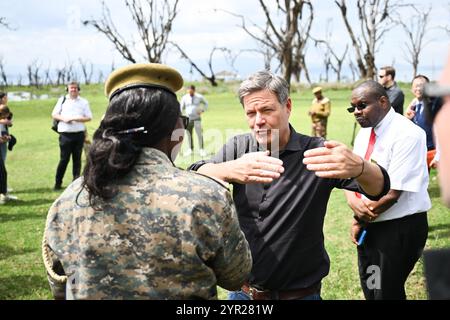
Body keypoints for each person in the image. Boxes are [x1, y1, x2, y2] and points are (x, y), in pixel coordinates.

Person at [42, 63, 252, 300]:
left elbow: (60, 288)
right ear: (175, 129)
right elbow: (236, 276)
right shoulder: (207, 196)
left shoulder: (71, 199)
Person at [188, 70, 390, 300]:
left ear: (288, 107)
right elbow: (195, 175)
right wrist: (228, 169)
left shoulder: (318, 152)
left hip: (300, 295)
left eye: (266, 110)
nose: (258, 121)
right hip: (244, 294)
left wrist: (362, 168)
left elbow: (379, 188)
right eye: (250, 113)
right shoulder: (238, 146)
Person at [345, 80, 430, 300]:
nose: (356, 112)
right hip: (370, 225)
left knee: (386, 292)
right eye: (352, 107)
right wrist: (354, 205)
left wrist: (358, 219)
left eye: (362, 105)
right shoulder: (365, 132)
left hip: (397, 229)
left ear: (383, 101)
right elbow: (351, 175)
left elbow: (393, 194)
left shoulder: (408, 134)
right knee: (371, 286)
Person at [52, 82, 92, 190]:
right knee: (64, 159)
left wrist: (75, 118)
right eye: (71, 88)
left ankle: (76, 182)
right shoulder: (62, 100)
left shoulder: (84, 102)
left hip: (79, 134)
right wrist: (64, 119)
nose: (73, 90)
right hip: (65, 134)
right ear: (67, 89)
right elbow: (54, 114)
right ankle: (58, 183)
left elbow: (89, 117)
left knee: (77, 159)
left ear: (78, 89)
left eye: (75, 88)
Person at [405, 75, 439, 169]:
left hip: (433, 151)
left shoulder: (434, 105)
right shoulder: (414, 105)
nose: (419, 88)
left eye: (422, 86)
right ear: (412, 89)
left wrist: (438, 155)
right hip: (419, 150)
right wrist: (407, 118)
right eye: (416, 86)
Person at [180, 85, 208, 157]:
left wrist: (202, 110)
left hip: (197, 118)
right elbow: (181, 108)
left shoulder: (199, 97)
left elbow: (206, 103)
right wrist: (182, 116)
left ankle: (201, 149)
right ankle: (190, 149)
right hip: (188, 119)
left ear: (194, 90)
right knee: (189, 134)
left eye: (191, 92)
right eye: (189, 91)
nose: (190, 93)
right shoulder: (185, 97)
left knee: (199, 134)